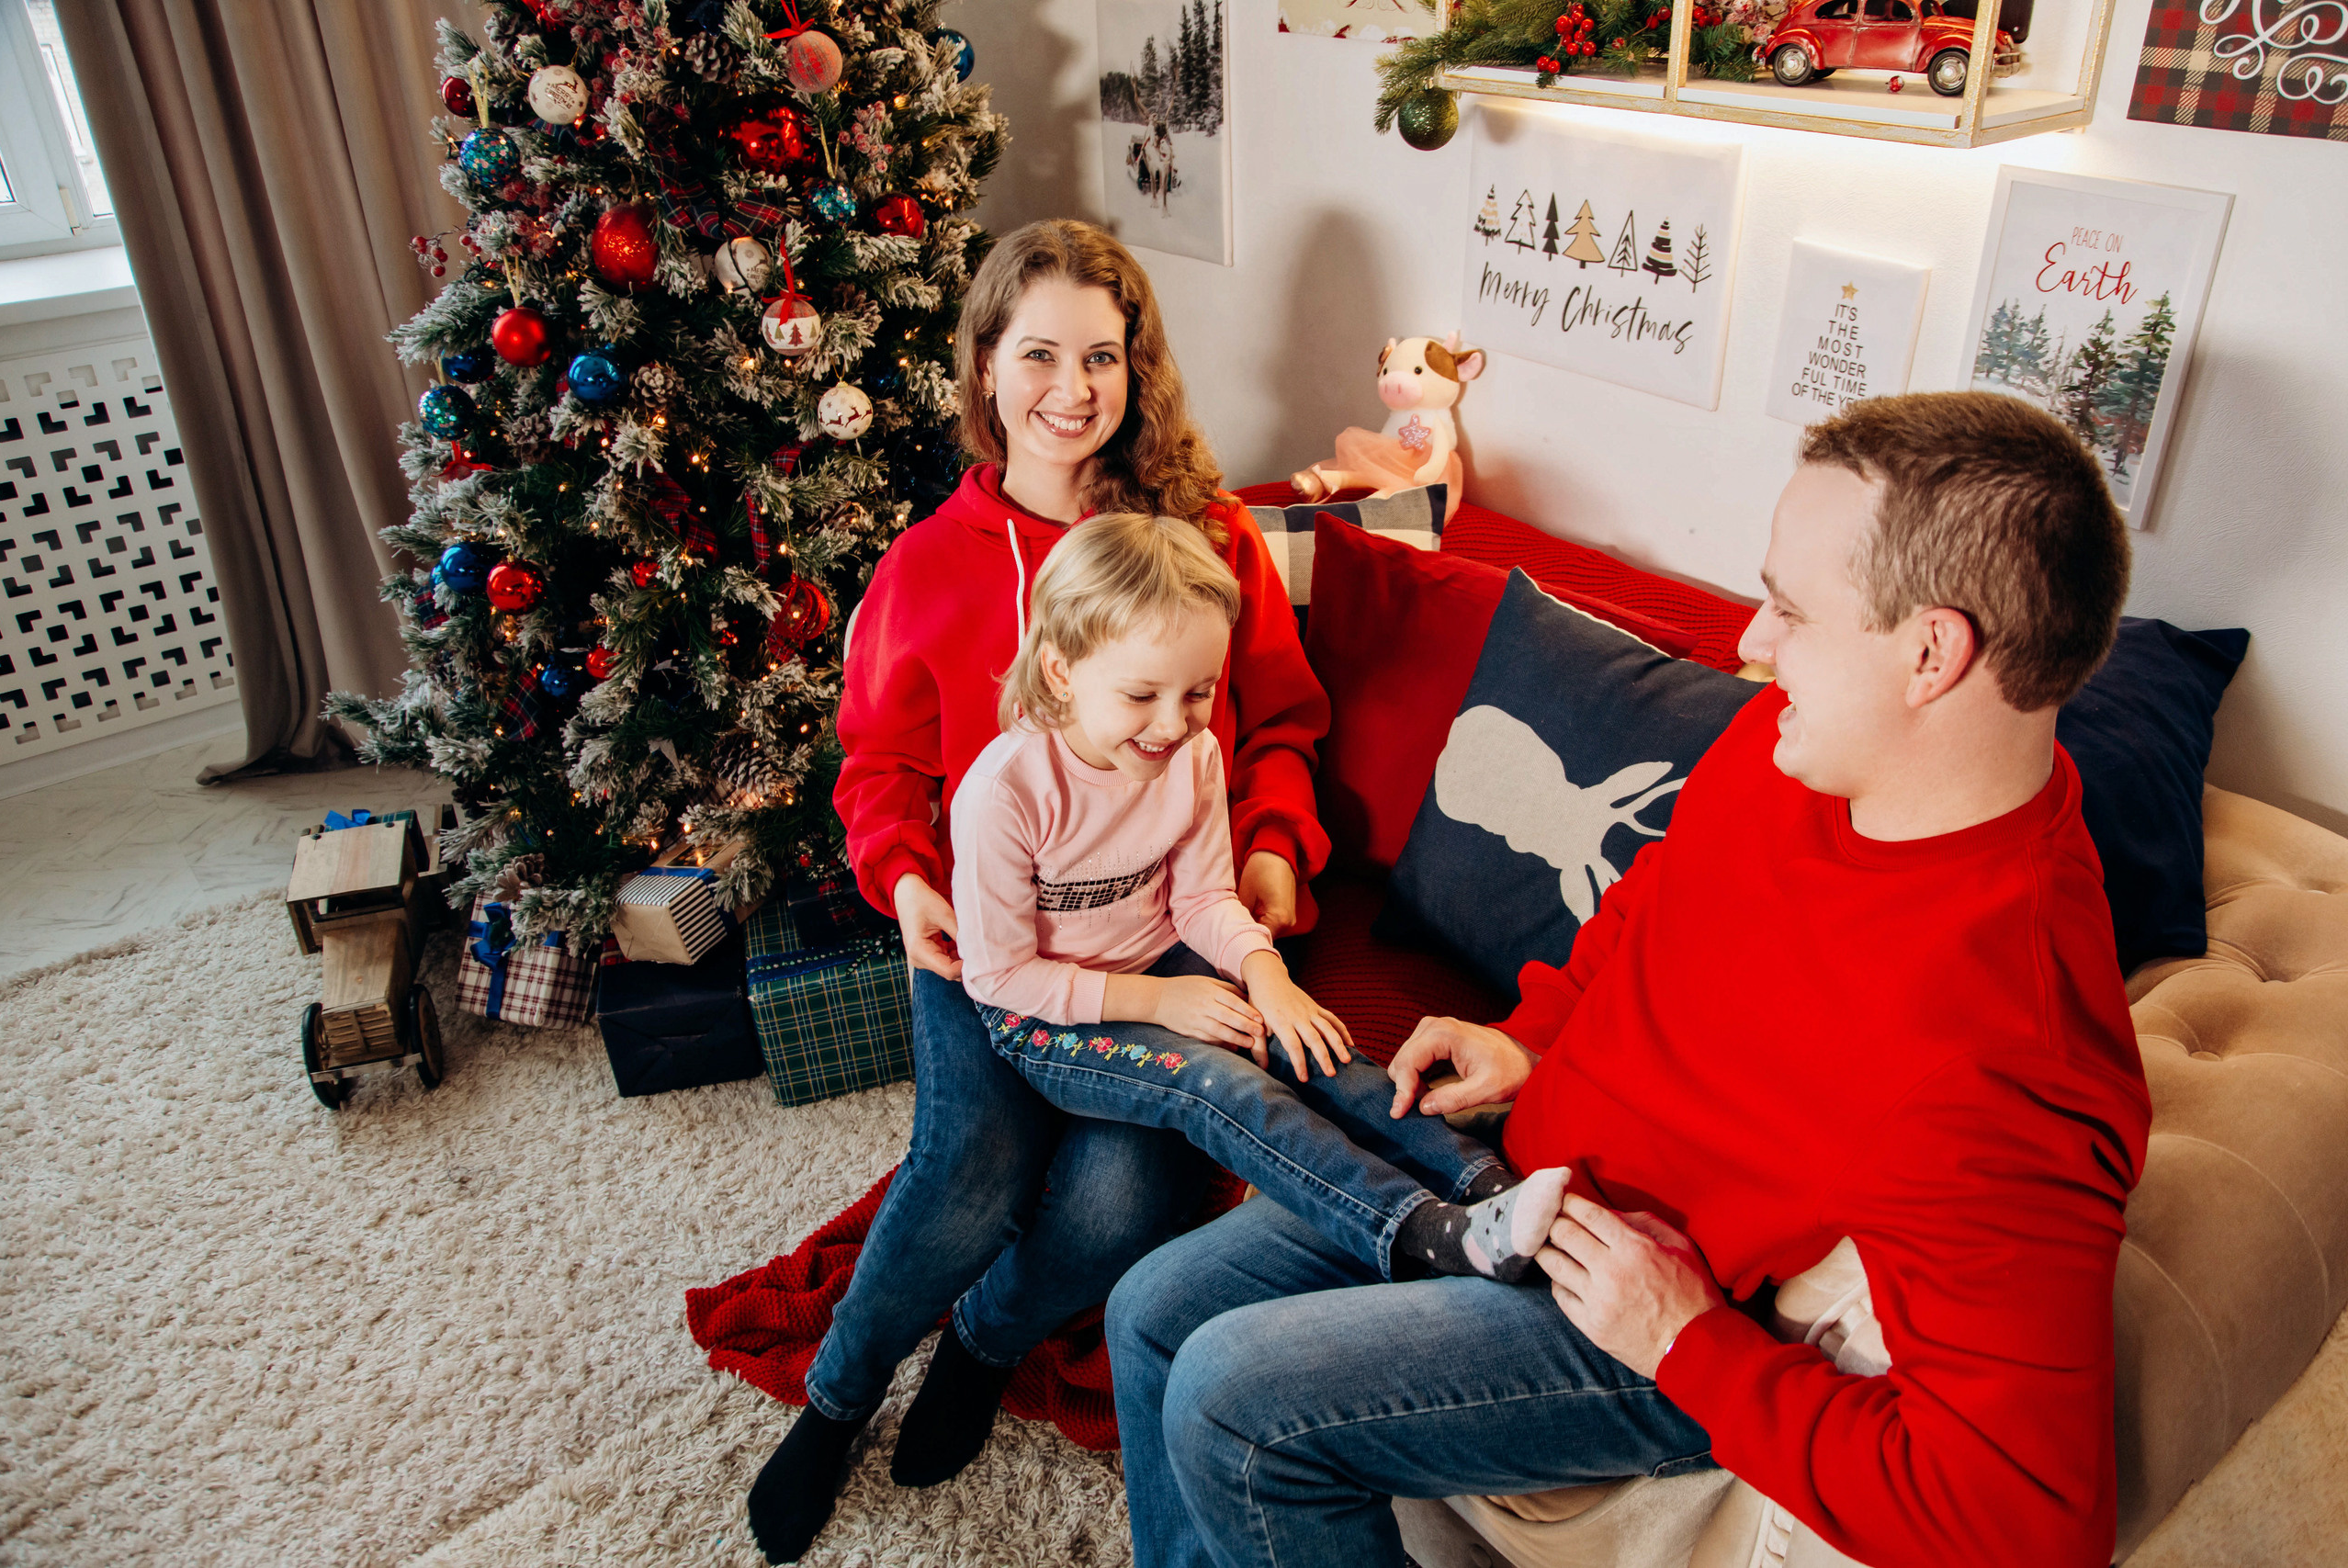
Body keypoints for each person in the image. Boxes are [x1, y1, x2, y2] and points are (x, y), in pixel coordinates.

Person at [1105, 390, 2153, 1568]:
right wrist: (1537, 1031)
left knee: (1235, 1399)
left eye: (1792, 611)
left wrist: (1688, 1344)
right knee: (1151, 1309)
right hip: (1520, 1175)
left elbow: (2027, 1521)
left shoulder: (2008, 1048)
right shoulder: (1785, 750)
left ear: (1929, 654)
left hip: (1632, 1318)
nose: (1750, 643)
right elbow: (1650, 907)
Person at [745, 219, 1332, 1563]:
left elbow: (1287, 720)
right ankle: (838, 1399)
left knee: (1120, 1204)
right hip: (988, 930)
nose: (1074, 388)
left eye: (1105, 356)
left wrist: (1272, 851)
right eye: (1042, 354)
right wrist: (903, 882)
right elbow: (879, 762)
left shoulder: (1209, 538)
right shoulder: (929, 565)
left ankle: (985, 1336)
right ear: (986, 366)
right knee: (972, 1161)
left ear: (1140, 370)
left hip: (1172, 909)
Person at [954, 510, 1570, 1286]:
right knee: (1226, 1084)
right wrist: (1159, 1000)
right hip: (1045, 1014)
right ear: (1060, 671)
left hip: (1164, 958)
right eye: (1142, 694)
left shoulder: (1197, 753)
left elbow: (1205, 896)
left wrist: (1267, 974)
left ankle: (1486, 1184)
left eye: (1199, 692)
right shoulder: (1004, 793)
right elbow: (998, 977)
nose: (1173, 723)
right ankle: (1424, 1233)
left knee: (1322, 1051)